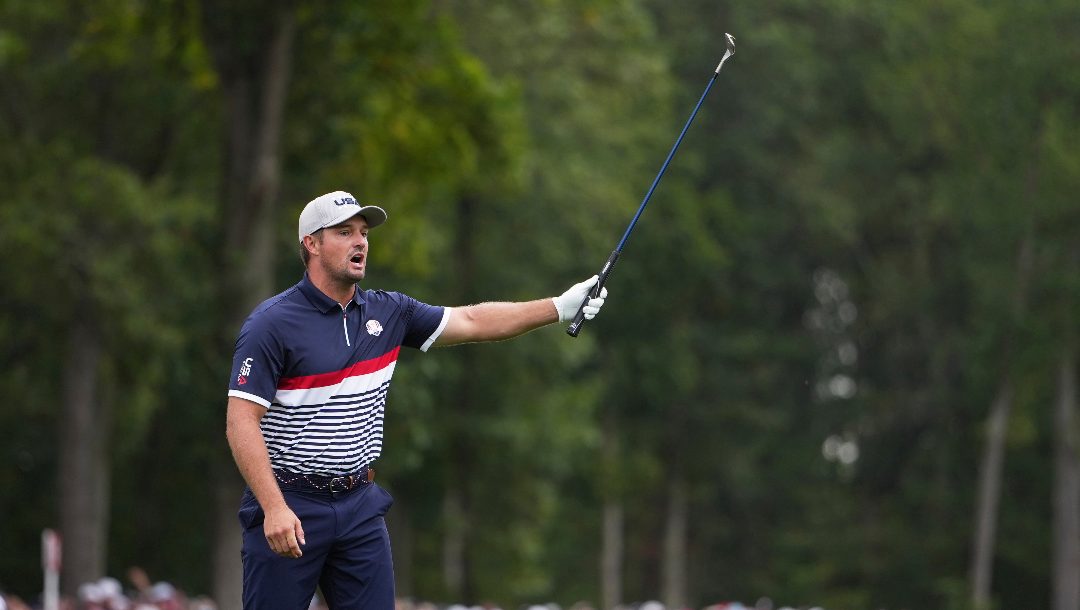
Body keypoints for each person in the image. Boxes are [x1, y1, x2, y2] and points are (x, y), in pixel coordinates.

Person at [226, 191, 608, 610]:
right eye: (344, 232)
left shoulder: (390, 313)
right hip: (290, 505)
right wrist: (274, 508)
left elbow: (472, 320)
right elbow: (241, 421)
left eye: (364, 233)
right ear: (311, 244)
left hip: (359, 507)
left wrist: (558, 306)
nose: (360, 242)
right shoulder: (272, 323)